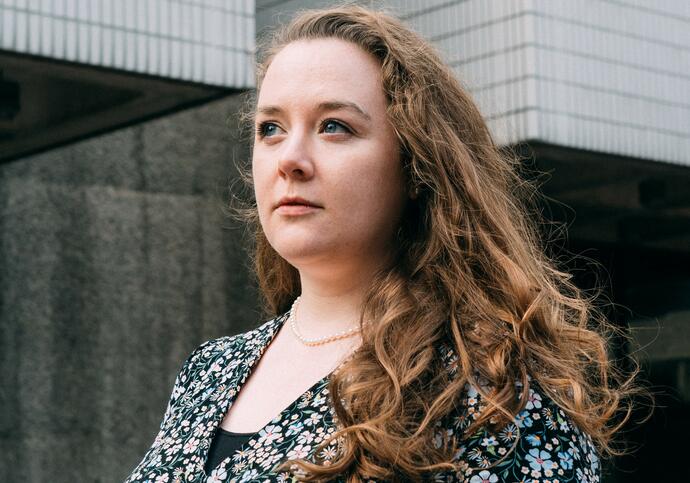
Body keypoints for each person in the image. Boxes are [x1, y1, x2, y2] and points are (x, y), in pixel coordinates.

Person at [124, 5, 645, 482]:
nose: (290, 159)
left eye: (334, 127)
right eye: (271, 129)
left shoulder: (493, 390)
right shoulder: (210, 370)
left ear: (416, 164)